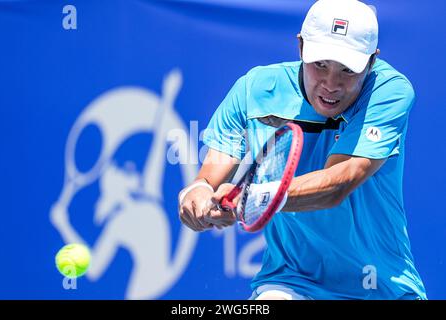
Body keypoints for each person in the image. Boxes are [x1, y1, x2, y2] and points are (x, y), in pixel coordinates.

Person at [178, 0, 427, 300]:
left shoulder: (389, 92)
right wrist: (196, 197)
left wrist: (257, 198)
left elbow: (339, 180)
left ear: (372, 63)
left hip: (383, 288)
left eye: (347, 70)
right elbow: (207, 178)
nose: (331, 84)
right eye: (320, 63)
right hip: (291, 283)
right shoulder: (254, 88)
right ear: (301, 47)